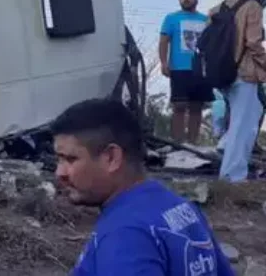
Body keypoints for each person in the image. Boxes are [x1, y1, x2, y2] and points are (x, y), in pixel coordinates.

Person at [51, 98, 233, 275]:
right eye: (59, 160)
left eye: (70, 159)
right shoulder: (181, 207)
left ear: (111, 158)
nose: (60, 173)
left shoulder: (125, 235)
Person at [209, 0, 266, 182]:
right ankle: (233, 177)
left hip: (221, 73)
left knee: (236, 122)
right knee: (245, 126)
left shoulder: (218, 8)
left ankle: (224, 146)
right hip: (244, 73)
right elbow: (253, 43)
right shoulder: (252, 7)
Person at [159, 0, 212, 144]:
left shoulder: (205, 20)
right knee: (179, 105)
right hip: (179, 68)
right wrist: (163, 62)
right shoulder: (171, 18)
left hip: (200, 68)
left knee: (197, 106)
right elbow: (164, 41)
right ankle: (177, 143)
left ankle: (192, 143)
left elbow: (211, 44)